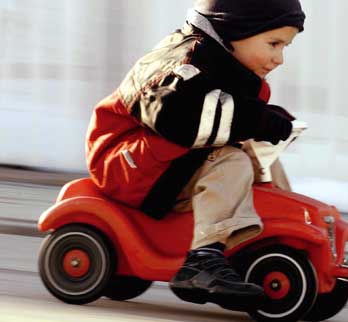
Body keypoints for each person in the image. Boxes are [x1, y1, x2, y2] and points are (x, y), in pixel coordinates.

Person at [85, 0, 305, 310]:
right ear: (236, 28)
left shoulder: (232, 66)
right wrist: (254, 119)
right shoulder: (182, 62)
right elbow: (175, 116)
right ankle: (202, 259)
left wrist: (266, 120)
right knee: (234, 161)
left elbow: (229, 115)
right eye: (274, 43)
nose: (279, 58)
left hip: (166, 159)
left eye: (285, 47)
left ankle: (275, 235)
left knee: (260, 154)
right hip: (128, 162)